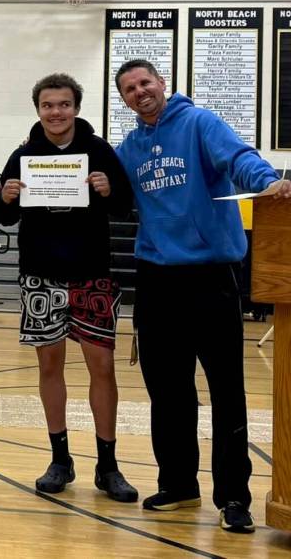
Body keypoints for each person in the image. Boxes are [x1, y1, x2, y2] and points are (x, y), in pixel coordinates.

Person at [114, 58, 291, 533]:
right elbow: (107, 192)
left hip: (210, 276)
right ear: (125, 99)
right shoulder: (128, 149)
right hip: (155, 280)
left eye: (145, 82)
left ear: (162, 83)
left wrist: (267, 182)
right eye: (129, 89)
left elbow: (240, 160)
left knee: (226, 392)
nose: (139, 92)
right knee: (167, 392)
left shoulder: (199, 122)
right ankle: (178, 484)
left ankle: (234, 497)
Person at [0, 73, 137, 502]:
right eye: (48, 105)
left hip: (92, 273)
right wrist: (7, 196)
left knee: (102, 369)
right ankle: (60, 459)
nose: (56, 112)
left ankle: (107, 466)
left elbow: (125, 206)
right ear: (38, 109)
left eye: (64, 104)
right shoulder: (23, 155)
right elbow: (1, 216)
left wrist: (109, 191)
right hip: (40, 275)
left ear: (76, 106)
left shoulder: (99, 151)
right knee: (49, 368)